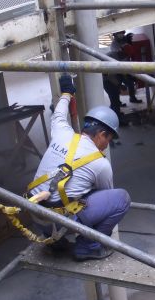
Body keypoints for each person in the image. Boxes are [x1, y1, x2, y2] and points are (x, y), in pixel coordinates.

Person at [27, 74, 130, 261]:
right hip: (59, 221)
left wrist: (66, 92)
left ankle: (54, 243)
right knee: (121, 199)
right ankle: (88, 246)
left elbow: (58, 113)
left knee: (67, 194)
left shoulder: (62, 132)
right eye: (109, 138)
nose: (107, 145)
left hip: (35, 214)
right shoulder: (101, 164)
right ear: (101, 134)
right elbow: (106, 195)